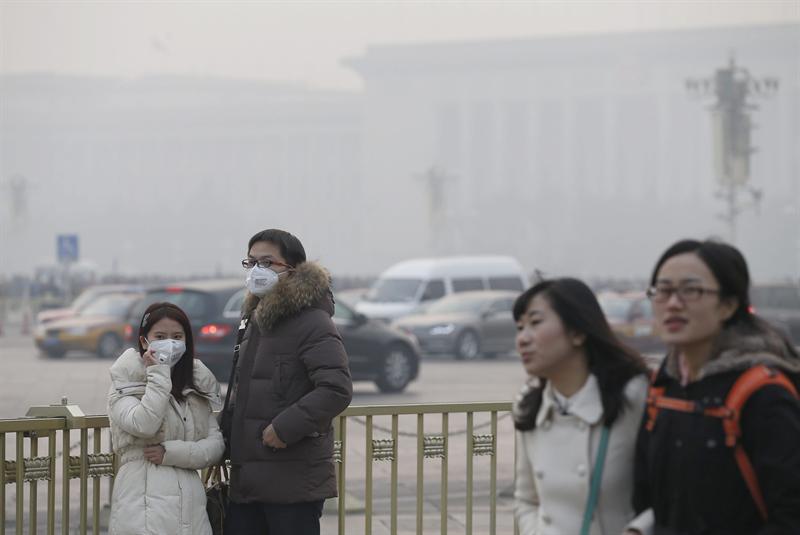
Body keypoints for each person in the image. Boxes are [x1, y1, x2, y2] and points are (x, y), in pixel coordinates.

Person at [627, 239, 800, 534]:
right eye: (663, 290)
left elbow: (790, 515)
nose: (672, 303)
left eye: (691, 290)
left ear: (728, 305)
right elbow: (654, 498)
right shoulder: (664, 389)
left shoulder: (763, 394)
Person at [220, 228, 353, 535]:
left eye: (267, 263)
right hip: (248, 482)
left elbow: (336, 388)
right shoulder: (257, 318)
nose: (257, 271)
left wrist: (283, 428)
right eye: (251, 262)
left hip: (292, 483)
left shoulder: (312, 321)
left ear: (292, 270)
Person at [512, 278, 652, 535]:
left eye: (535, 323)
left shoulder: (634, 394)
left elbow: (674, 487)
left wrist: (639, 530)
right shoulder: (529, 407)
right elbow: (526, 500)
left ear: (577, 332)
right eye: (520, 327)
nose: (522, 339)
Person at [107, 302, 225, 535]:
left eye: (177, 336)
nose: (170, 343)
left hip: (191, 506)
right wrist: (158, 374)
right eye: (160, 336)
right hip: (142, 498)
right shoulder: (125, 383)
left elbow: (215, 446)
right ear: (144, 341)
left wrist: (171, 453)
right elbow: (144, 424)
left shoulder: (195, 385)